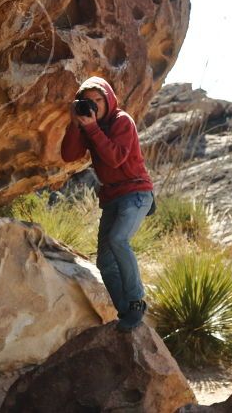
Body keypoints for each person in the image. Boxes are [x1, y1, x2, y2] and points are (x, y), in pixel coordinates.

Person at [60, 77, 154, 332]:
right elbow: (69, 155)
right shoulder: (90, 126)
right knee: (104, 262)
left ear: (109, 99)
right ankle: (126, 313)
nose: (92, 105)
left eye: (98, 100)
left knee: (118, 240)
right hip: (112, 197)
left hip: (136, 192)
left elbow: (114, 159)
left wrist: (91, 129)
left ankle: (136, 302)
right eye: (86, 101)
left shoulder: (122, 121)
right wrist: (75, 125)